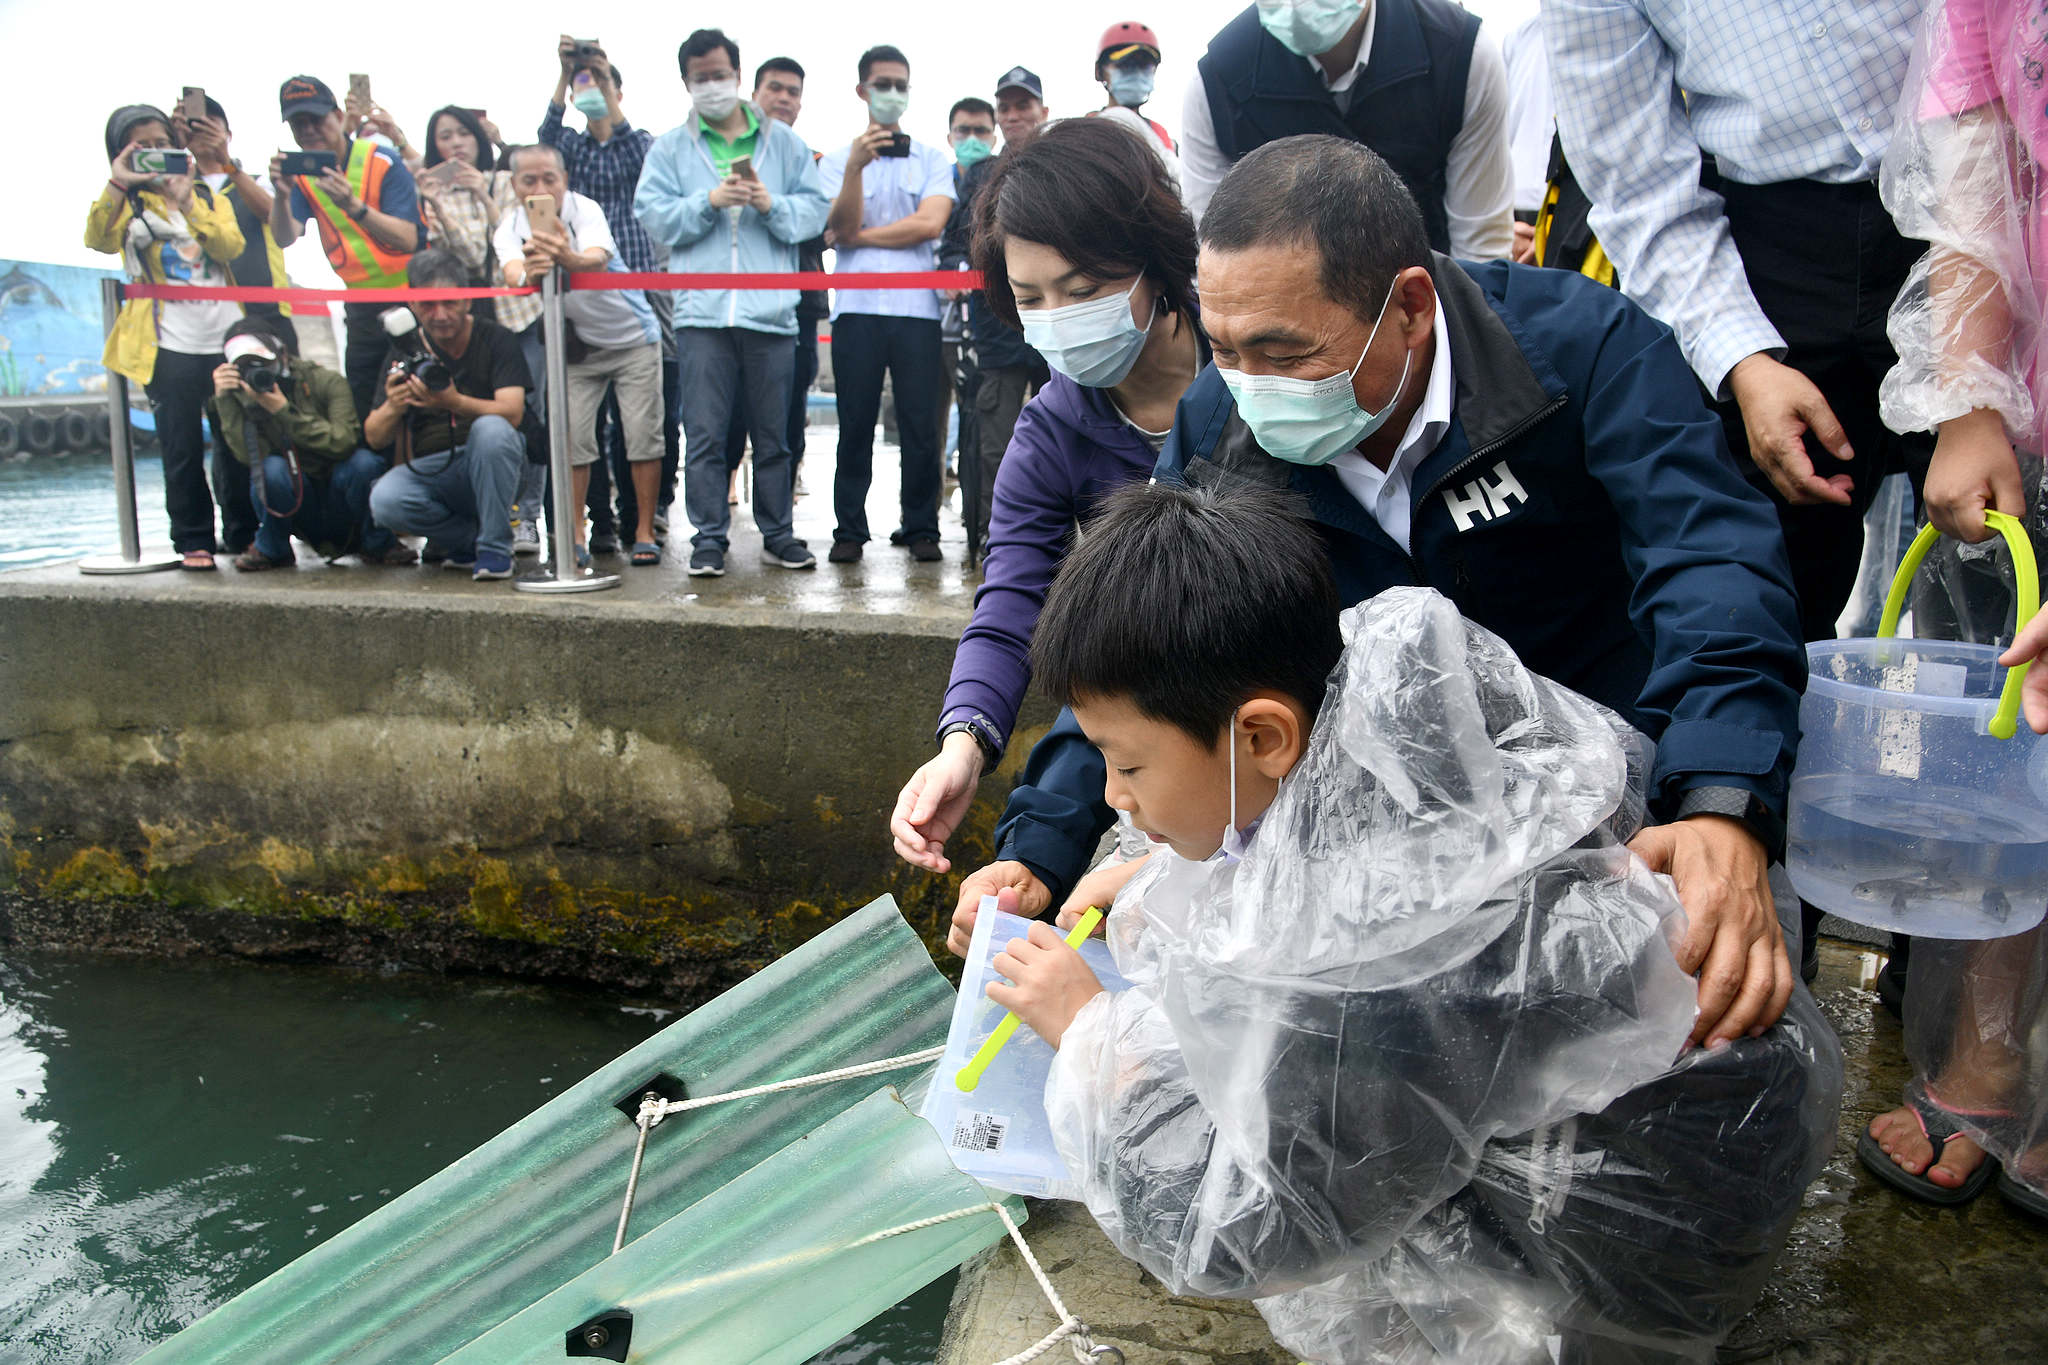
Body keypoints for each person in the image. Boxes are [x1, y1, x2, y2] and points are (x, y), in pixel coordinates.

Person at [954, 137, 1809, 1054]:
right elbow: (1144, 645)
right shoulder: (1218, 424)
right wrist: (1036, 850)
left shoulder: (1579, 355)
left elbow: (1712, 563)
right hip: (1384, 843)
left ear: (1409, 307)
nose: (1251, 389)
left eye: (1285, 351)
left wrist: (1723, 798)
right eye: (1228, 347)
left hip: (1617, 810)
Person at [989, 477, 1836, 1363]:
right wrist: (1168, 859)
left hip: (1608, 1277)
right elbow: (1274, 845)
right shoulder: (1386, 713)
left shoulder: (1376, 949)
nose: (1117, 799)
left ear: (1265, 737)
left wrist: (1094, 1038)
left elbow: (1247, 1234)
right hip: (1713, 1148)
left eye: (1126, 767)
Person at [892, 116, 1208, 876]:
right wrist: (964, 743)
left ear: (1154, 262)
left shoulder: (1257, 378)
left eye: (1085, 289)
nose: (1062, 318)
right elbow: (1012, 603)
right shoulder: (1051, 431)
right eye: (1033, 296)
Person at [1856, 0, 2048, 1221]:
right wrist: (1968, 396)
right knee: (2017, 747)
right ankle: (1986, 1054)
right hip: (2030, 416)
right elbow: (1970, 169)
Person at [635, 28, 830, 576]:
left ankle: (778, 532)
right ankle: (708, 537)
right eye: (701, 77)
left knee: (775, 434)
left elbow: (814, 213)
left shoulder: (784, 144)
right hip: (701, 314)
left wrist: (770, 204)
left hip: (771, 315)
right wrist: (708, 201)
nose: (712, 85)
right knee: (704, 433)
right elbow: (652, 213)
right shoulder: (672, 147)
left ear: (738, 75)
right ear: (686, 82)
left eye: (719, 74)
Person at [1179, 0, 1515, 263]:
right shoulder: (1217, 82)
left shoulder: (1460, 54)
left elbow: (1481, 251)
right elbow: (1211, 257)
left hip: (1425, 307)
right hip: (1284, 323)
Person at [90, 103, 246, 571]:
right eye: (143, 148)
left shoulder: (204, 193)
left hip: (222, 338)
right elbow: (97, 237)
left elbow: (229, 245)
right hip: (167, 343)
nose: (157, 155)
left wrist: (188, 200)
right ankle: (193, 540)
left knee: (236, 443)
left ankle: (243, 534)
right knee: (180, 448)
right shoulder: (128, 203)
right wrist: (120, 182)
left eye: (163, 145)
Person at [819, 44, 957, 565]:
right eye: (883, 84)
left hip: (917, 309)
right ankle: (849, 530)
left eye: (901, 84)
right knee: (853, 423)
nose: (892, 94)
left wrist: (860, 236)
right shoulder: (837, 161)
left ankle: (920, 526)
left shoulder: (931, 159)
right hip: (855, 308)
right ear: (862, 90)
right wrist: (856, 169)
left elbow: (931, 224)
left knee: (920, 425)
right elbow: (838, 228)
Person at [500, 144, 664, 565]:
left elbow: (595, 258)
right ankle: (574, 537)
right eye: (529, 180)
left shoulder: (584, 209)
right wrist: (532, 270)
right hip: (576, 349)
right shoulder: (509, 227)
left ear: (564, 178)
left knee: (642, 437)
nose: (541, 187)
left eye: (549, 178)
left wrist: (565, 257)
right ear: (514, 185)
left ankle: (644, 532)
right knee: (572, 442)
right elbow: (512, 273)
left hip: (632, 339)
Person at [539, 36, 665, 555]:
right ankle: (594, 529)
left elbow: (639, 149)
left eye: (602, 80)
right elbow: (543, 140)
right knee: (581, 433)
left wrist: (602, 74)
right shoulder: (568, 149)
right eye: (584, 83)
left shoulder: (641, 144)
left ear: (618, 89)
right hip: (579, 304)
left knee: (648, 425)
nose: (592, 88)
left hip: (637, 289)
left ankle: (644, 523)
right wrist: (567, 75)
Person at [939, 69, 1052, 558]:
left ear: (1042, 111)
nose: (1013, 116)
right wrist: (953, 277)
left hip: (1059, 324)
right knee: (995, 444)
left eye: (1022, 106)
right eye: (1005, 108)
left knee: (1071, 433)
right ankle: (993, 540)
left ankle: (1069, 543)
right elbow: (951, 245)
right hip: (997, 329)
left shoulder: (1061, 161)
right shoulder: (980, 176)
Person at [364, 249, 530, 581]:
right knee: (385, 500)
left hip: (497, 463)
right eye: (427, 304)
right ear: (412, 305)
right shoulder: (405, 352)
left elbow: (512, 414)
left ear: (468, 300)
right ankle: (467, 541)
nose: (440, 315)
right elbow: (374, 436)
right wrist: (394, 405)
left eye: (449, 303)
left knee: (491, 430)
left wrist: (453, 401)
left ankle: (495, 549)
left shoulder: (497, 339)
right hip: (436, 470)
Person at [171, 94, 290, 557]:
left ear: (228, 130)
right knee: (221, 429)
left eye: (209, 124)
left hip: (265, 317)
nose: (200, 131)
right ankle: (233, 530)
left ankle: (270, 530)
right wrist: (178, 159)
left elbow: (282, 227)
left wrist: (227, 164)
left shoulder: (251, 182)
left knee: (267, 422)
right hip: (198, 324)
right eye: (189, 124)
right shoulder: (172, 185)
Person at [268, 75, 423, 422]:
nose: (308, 130)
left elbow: (409, 239)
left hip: (410, 299)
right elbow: (284, 237)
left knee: (417, 398)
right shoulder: (302, 175)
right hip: (359, 308)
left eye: (315, 119)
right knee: (364, 401)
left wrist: (354, 207)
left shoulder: (381, 160)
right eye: (298, 123)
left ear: (338, 117)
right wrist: (280, 195)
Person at [210, 315, 411, 570]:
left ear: (282, 355)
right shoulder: (241, 396)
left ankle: (378, 543)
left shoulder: (325, 381)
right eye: (246, 365)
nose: (256, 370)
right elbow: (249, 458)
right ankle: (273, 548)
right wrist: (225, 400)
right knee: (270, 469)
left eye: (262, 362)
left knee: (364, 463)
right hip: (296, 497)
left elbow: (343, 442)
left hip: (338, 490)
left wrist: (284, 411)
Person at [720, 58, 828, 502]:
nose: (784, 98)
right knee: (726, 415)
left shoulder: (810, 159)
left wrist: (775, 206)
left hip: (798, 305)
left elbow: (824, 226)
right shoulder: (722, 153)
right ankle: (723, 497)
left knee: (788, 414)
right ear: (754, 94)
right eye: (775, 88)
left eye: (793, 91)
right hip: (730, 303)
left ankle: (779, 509)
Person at [935, 96, 1001, 494]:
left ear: (993, 136)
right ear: (950, 136)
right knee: (935, 421)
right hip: (936, 324)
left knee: (982, 422)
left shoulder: (996, 178)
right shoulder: (939, 182)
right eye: (964, 130)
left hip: (985, 331)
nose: (972, 138)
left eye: (980, 131)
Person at [1093, 20, 1175, 156]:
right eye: (1125, 65)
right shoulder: (1084, 128)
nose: (1137, 73)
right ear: (1099, 71)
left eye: (1145, 66)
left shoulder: (1160, 136)